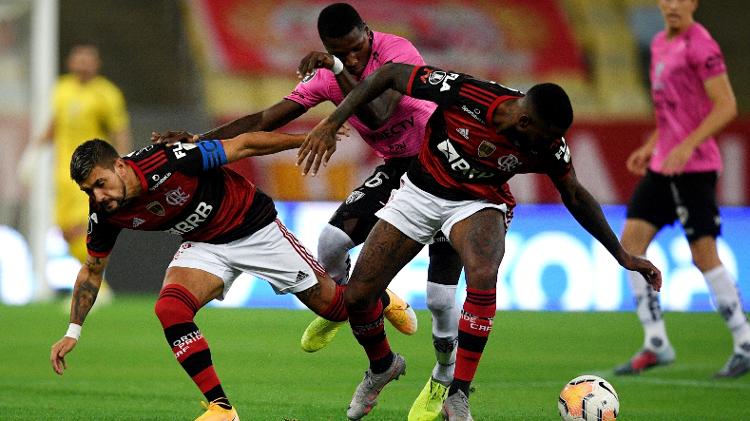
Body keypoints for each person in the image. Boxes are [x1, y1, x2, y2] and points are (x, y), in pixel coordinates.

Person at [299, 63, 663, 420]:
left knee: (482, 274)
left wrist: (621, 254)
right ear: (524, 123)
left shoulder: (549, 145)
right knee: (360, 294)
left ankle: (456, 394)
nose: (552, 145)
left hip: (479, 202)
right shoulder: (468, 94)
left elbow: (575, 194)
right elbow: (390, 74)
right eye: (546, 137)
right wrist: (332, 122)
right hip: (421, 191)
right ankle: (382, 366)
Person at [154, 4, 463, 418]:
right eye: (341, 52)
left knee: (440, 298)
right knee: (331, 242)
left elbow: (380, 110)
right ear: (326, 47)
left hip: (441, 166)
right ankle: (349, 311)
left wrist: (337, 67)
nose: (352, 58)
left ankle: (444, 381)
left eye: (355, 50)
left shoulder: (397, 52)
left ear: (367, 33)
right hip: (398, 169)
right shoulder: (325, 77)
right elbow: (264, 118)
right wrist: (196, 142)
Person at [48, 133, 415, 421]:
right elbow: (93, 269)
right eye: (88, 191)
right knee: (170, 309)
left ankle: (381, 299)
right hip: (205, 244)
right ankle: (221, 409)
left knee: (336, 308)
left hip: (255, 229)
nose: (98, 197)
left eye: (100, 184)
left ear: (119, 166)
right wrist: (72, 331)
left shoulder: (169, 160)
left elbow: (243, 145)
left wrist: (303, 140)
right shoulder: (105, 212)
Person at [614, 0, 749, 378]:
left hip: (695, 169)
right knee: (630, 247)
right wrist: (653, 145)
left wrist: (688, 144)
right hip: (663, 166)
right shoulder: (660, 43)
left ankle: (744, 341)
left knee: (703, 256)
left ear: (694, 3)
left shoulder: (701, 45)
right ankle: (656, 342)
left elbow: (725, 106)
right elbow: (673, 112)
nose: (673, 5)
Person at [23, 44, 131, 285]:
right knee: (63, 231)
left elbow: (119, 130)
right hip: (62, 173)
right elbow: (55, 125)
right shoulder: (61, 88)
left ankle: (96, 285)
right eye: (78, 59)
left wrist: (124, 166)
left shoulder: (107, 93)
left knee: (81, 228)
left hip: (90, 173)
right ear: (70, 62)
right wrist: (32, 154)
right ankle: (95, 282)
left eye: (88, 60)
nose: (82, 64)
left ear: (97, 63)